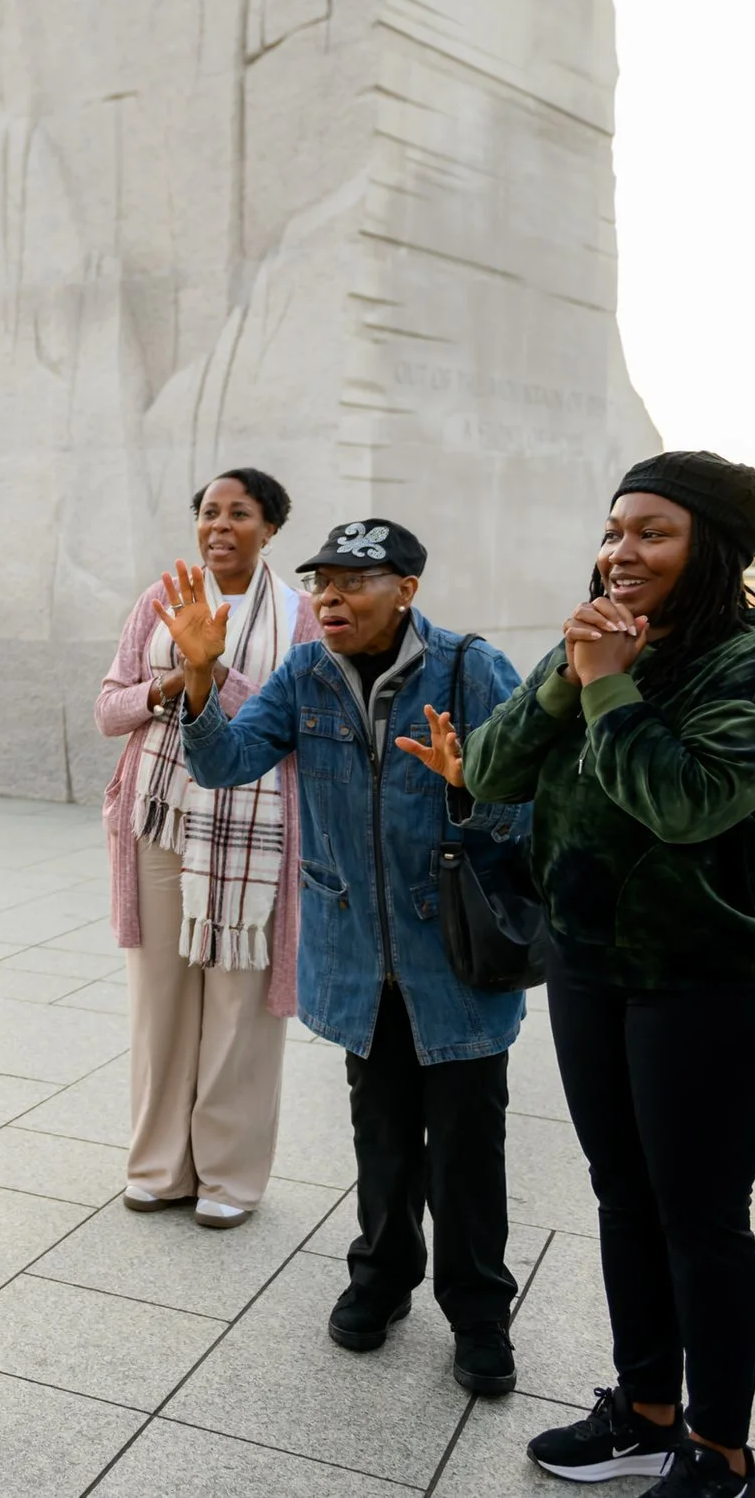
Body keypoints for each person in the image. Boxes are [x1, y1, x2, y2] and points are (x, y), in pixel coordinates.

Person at [407, 453, 755, 1498]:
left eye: (652, 532)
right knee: (623, 1195)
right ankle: (644, 1412)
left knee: (700, 1213)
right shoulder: (596, 637)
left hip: (722, 976)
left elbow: (684, 805)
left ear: (711, 547)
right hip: (591, 962)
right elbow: (491, 771)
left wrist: (606, 683)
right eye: (612, 529)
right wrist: (570, 668)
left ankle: (720, 1455)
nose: (619, 552)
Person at [166, 517, 529, 1397]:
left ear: (406, 589)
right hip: (359, 956)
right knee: (382, 1133)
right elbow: (224, 764)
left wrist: (467, 789)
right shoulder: (306, 673)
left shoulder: (472, 669)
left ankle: (479, 1312)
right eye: (321, 582)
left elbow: (531, 807)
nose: (330, 597)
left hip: (454, 955)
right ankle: (382, 1277)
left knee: (467, 1148)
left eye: (353, 581)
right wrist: (200, 677)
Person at [96, 468, 315, 1227]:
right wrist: (168, 686)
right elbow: (109, 709)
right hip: (159, 821)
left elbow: (294, 725)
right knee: (159, 1000)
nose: (220, 525)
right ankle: (159, 1166)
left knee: (239, 1006)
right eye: (209, 512)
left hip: (255, 834)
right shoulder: (158, 601)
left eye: (240, 513)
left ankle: (229, 1174)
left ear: (271, 527)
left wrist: (208, 672)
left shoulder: (301, 616)